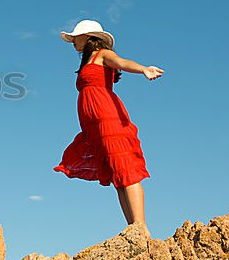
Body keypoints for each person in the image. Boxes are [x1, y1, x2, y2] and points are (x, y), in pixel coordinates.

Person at [52, 20, 164, 237]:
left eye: (76, 36)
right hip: (94, 123)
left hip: (108, 116)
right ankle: (133, 229)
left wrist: (143, 69)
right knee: (117, 175)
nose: (73, 40)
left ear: (89, 37)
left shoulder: (102, 54)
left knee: (126, 169)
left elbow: (121, 62)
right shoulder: (87, 62)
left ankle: (142, 227)